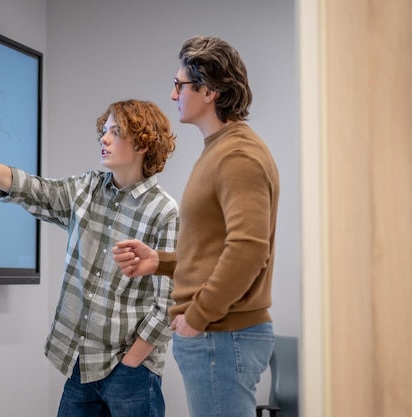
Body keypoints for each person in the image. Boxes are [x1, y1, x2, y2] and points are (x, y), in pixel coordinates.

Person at [0, 99, 179, 417]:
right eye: (105, 130)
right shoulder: (85, 189)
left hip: (132, 372)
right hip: (83, 364)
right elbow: (25, 186)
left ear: (143, 142)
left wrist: (132, 361)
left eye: (116, 131)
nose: (104, 138)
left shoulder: (164, 211)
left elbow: (169, 303)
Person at [112, 36, 280, 417]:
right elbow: (215, 247)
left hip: (221, 334)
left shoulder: (237, 155)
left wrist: (198, 316)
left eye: (180, 85)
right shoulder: (220, 149)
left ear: (210, 90)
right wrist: (162, 261)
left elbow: (249, 249)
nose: (173, 96)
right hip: (217, 335)